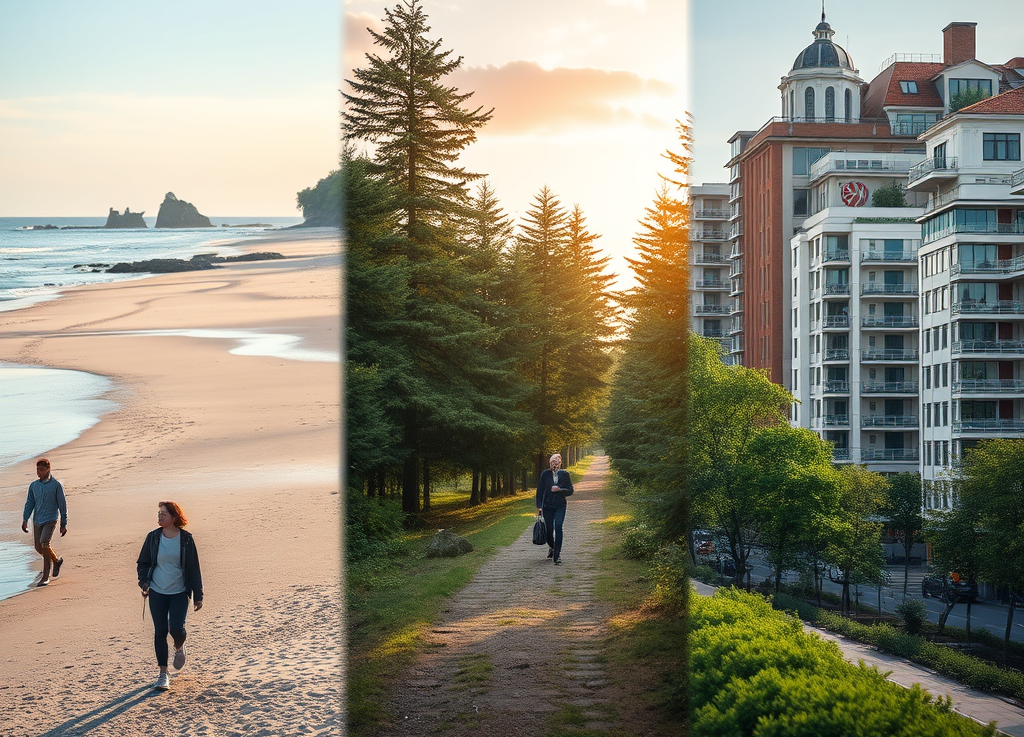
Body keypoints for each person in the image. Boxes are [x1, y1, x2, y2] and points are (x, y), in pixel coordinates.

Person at [137, 501, 204, 691]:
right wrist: (144, 583)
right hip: (157, 591)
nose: (159, 517)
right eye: (159, 513)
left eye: (163, 514)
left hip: (179, 592)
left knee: (176, 628)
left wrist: (198, 595)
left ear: (174, 517)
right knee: (160, 631)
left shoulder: (186, 539)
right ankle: (163, 673)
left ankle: (179, 647)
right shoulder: (153, 537)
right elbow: (143, 563)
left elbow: (193, 568)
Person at [21, 458, 67, 587]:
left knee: (44, 544)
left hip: (50, 519)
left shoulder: (56, 485)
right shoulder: (34, 486)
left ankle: (45, 577)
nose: (39, 472)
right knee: (38, 547)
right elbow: (29, 504)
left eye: (41, 470)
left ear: (48, 469)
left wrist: (63, 524)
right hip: (37, 520)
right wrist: (25, 519)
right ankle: (56, 560)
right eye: (37, 470)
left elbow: (62, 505)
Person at [536, 453, 574, 565]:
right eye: (552, 462)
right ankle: (552, 547)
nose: (554, 464)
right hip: (547, 506)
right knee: (548, 530)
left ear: (560, 463)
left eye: (556, 462)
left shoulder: (565, 474)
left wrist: (560, 490)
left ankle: (557, 554)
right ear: (549, 463)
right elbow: (540, 491)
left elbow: (570, 490)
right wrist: (539, 506)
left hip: (560, 505)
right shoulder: (545, 474)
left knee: (558, 526)